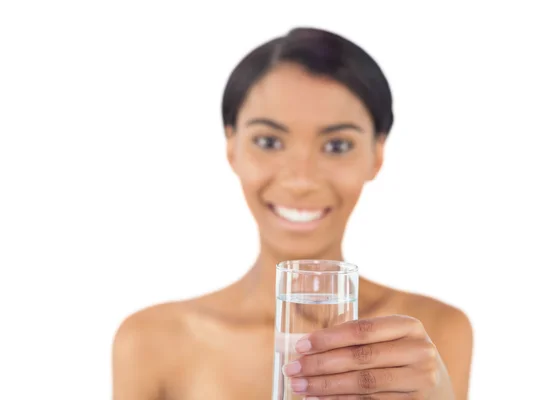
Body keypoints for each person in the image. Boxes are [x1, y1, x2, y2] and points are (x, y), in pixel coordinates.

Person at [112, 27, 473, 400]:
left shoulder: (433, 338)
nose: (301, 180)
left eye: (336, 145)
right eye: (269, 141)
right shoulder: (149, 341)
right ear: (231, 146)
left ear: (377, 154)